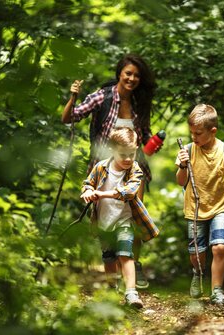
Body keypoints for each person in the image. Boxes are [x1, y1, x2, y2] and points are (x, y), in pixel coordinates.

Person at [62, 55, 156, 289]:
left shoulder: (138, 104)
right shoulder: (101, 98)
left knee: (133, 216)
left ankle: (134, 265)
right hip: (104, 170)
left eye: (136, 75)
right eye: (128, 74)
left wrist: (152, 144)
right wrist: (73, 96)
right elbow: (69, 117)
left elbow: (144, 139)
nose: (132, 78)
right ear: (119, 74)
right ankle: (112, 268)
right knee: (107, 219)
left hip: (135, 169)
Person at [175, 104, 224, 305]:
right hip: (195, 208)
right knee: (197, 254)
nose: (194, 137)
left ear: (213, 131)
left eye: (198, 133)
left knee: (219, 248)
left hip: (220, 207)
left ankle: (217, 291)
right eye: (191, 132)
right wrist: (183, 165)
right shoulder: (188, 150)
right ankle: (197, 273)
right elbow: (181, 181)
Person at [80, 127, 159, 308]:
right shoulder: (100, 167)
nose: (128, 159)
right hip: (103, 223)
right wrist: (88, 192)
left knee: (126, 254)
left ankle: (131, 293)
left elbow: (129, 192)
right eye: (122, 154)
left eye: (132, 154)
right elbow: (87, 184)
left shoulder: (135, 170)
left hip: (125, 220)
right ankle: (111, 290)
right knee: (109, 258)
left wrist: (101, 193)